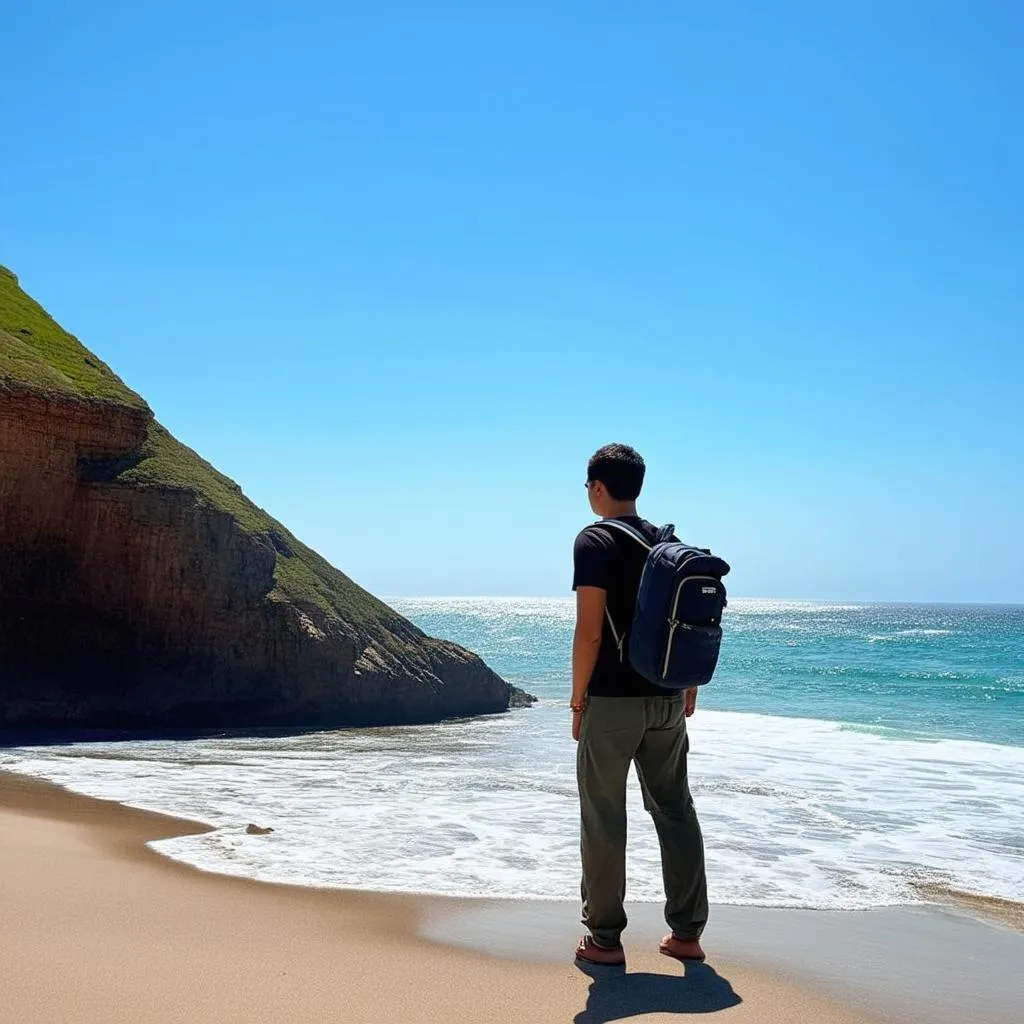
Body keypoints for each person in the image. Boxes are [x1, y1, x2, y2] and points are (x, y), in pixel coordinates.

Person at [571, 443, 708, 967]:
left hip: (613, 702)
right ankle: (687, 934)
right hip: (668, 699)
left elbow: (589, 633)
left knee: (604, 817)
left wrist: (578, 701)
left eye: (587, 487)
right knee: (675, 811)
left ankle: (604, 941)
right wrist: (687, 683)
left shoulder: (594, 540)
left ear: (598, 488)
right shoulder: (667, 543)